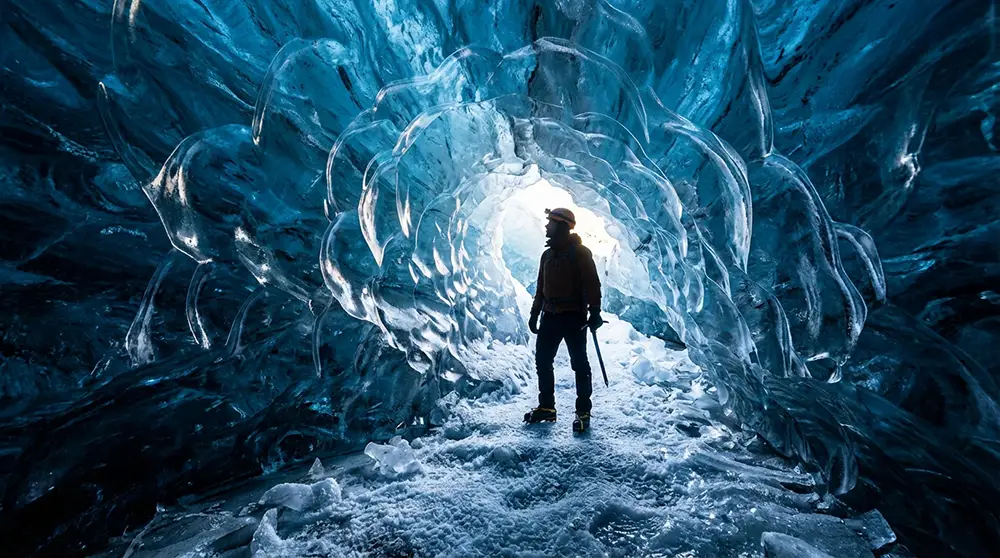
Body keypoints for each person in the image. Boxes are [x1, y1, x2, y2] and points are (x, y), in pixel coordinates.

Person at [523, 207, 603, 433]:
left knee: (579, 363)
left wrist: (595, 311)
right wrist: (534, 313)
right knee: (543, 360)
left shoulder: (580, 253)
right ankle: (547, 407)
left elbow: (592, 284)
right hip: (550, 315)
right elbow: (541, 287)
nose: (547, 227)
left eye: (550, 223)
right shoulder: (546, 255)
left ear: (561, 226)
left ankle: (583, 410)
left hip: (573, 316)